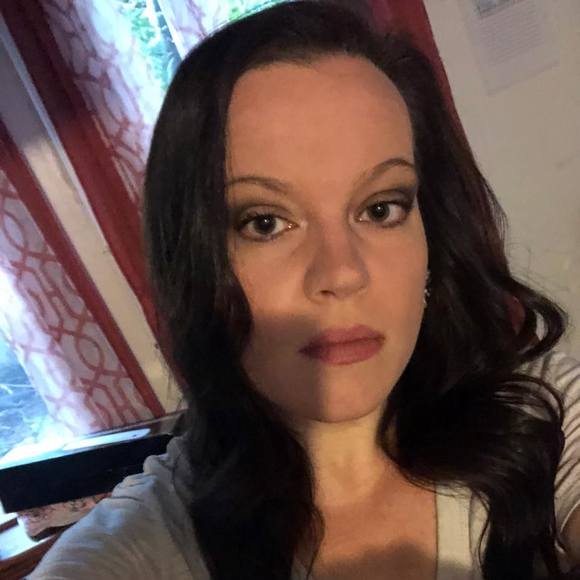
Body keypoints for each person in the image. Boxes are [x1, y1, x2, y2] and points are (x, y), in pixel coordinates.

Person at [30, 1, 580, 579]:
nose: (342, 273)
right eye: (265, 222)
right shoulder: (135, 552)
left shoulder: (541, 416)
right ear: (194, 262)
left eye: (381, 208)